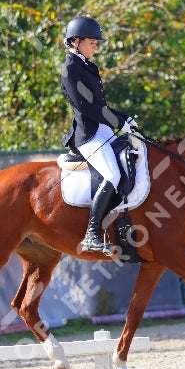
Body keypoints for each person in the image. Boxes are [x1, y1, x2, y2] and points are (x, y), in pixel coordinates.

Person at [60, 16, 138, 255]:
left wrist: (123, 120)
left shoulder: (87, 66)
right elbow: (85, 106)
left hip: (104, 130)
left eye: (96, 42)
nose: (95, 45)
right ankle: (91, 235)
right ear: (76, 41)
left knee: (135, 155)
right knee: (112, 174)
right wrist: (119, 120)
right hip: (89, 135)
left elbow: (100, 105)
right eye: (91, 41)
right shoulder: (70, 68)